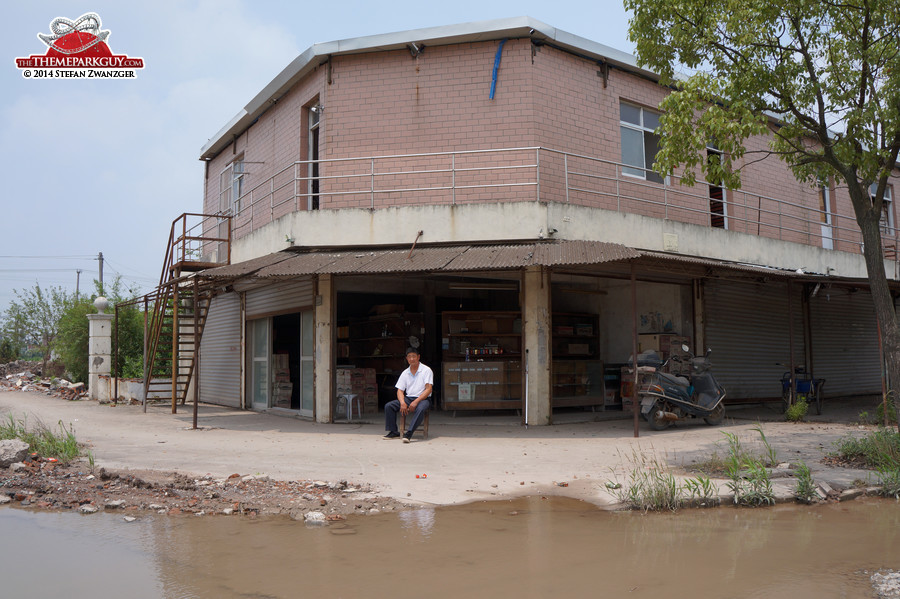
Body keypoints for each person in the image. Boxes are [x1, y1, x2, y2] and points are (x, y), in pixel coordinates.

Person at [384, 347, 433, 443]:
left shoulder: (426, 370)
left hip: (423, 399)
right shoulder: (405, 373)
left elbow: (428, 389)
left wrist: (416, 402)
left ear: (418, 357)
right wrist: (402, 402)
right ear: (407, 359)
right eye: (409, 357)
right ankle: (394, 431)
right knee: (389, 406)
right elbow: (400, 390)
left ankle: (409, 433)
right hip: (409, 398)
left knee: (421, 408)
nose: (411, 359)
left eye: (413, 356)